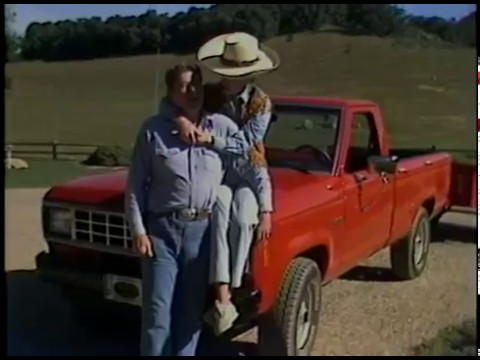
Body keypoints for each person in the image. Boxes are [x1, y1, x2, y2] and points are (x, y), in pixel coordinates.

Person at [125, 63, 247, 356]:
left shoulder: (221, 126)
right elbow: (135, 185)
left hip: (202, 234)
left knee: (190, 316)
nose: (191, 91)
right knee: (158, 313)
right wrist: (138, 231)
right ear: (170, 92)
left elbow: (248, 150)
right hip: (162, 233)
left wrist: (213, 142)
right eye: (182, 86)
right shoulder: (153, 130)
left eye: (195, 84)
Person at [173, 32, 280, 335]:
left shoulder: (261, 103)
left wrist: (266, 210)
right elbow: (173, 103)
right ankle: (221, 291)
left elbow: (249, 143)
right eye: (228, 73)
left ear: (250, 74)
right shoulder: (208, 93)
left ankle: (236, 285)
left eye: (239, 75)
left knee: (245, 216)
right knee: (220, 209)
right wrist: (181, 120)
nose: (230, 80)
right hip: (215, 170)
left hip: (248, 171)